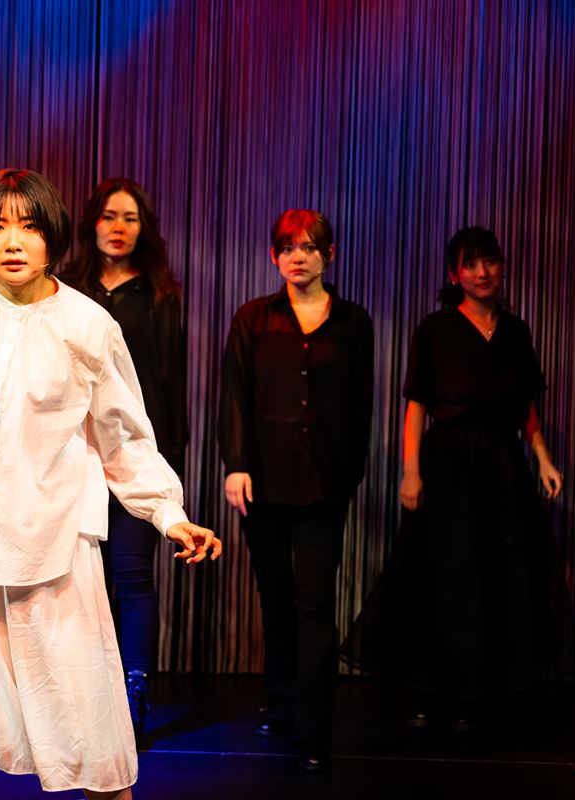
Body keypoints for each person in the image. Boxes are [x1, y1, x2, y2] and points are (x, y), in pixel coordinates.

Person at [0, 168, 220, 800]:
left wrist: (168, 512)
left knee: (92, 731)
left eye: (28, 226)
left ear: (52, 235)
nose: (12, 241)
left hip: (49, 555)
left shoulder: (88, 326)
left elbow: (124, 438)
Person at [344, 226, 565, 731]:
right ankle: (434, 690)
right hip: (448, 465)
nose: (482, 272)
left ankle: (486, 693)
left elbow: (525, 406)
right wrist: (411, 471)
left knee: (499, 575)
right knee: (446, 575)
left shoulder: (516, 332)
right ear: (454, 274)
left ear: (502, 266)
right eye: (471, 264)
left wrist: (543, 458)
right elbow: (417, 405)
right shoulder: (435, 329)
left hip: (502, 466)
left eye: (490, 261)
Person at [219, 209, 373, 772]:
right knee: (276, 600)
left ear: (329, 255)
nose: (298, 257)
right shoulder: (253, 318)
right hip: (263, 482)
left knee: (316, 603)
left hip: (324, 484)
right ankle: (283, 704)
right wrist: (236, 465)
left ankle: (315, 726)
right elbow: (234, 393)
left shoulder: (353, 323)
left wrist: (349, 473)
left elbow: (361, 404)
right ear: (274, 256)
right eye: (288, 248)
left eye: (309, 247)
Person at [61, 179, 187, 735]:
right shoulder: (66, 289)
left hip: (134, 455)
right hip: (73, 456)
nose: (118, 227)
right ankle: (82, 695)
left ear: (143, 229)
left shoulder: (158, 294)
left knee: (133, 577)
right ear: (92, 223)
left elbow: (170, 384)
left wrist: (167, 463)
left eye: (130, 218)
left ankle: (134, 693)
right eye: (109, 216)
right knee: (75, 578)